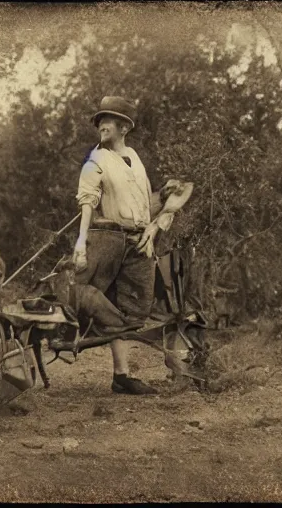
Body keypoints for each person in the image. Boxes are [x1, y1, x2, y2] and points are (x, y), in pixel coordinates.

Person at [72, 96, 188, 395]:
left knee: (134, 309)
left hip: (138, 242)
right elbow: (87, 205)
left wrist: (161, 207)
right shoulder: (96, 161)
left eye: (107, 120)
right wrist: (81, 245)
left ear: (124, 127)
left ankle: (122, 378)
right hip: (108, 240)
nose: (101, 125)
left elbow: (143, 205)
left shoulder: (134, 158)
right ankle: (122, 373)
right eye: (99, 121)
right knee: (99, 304)